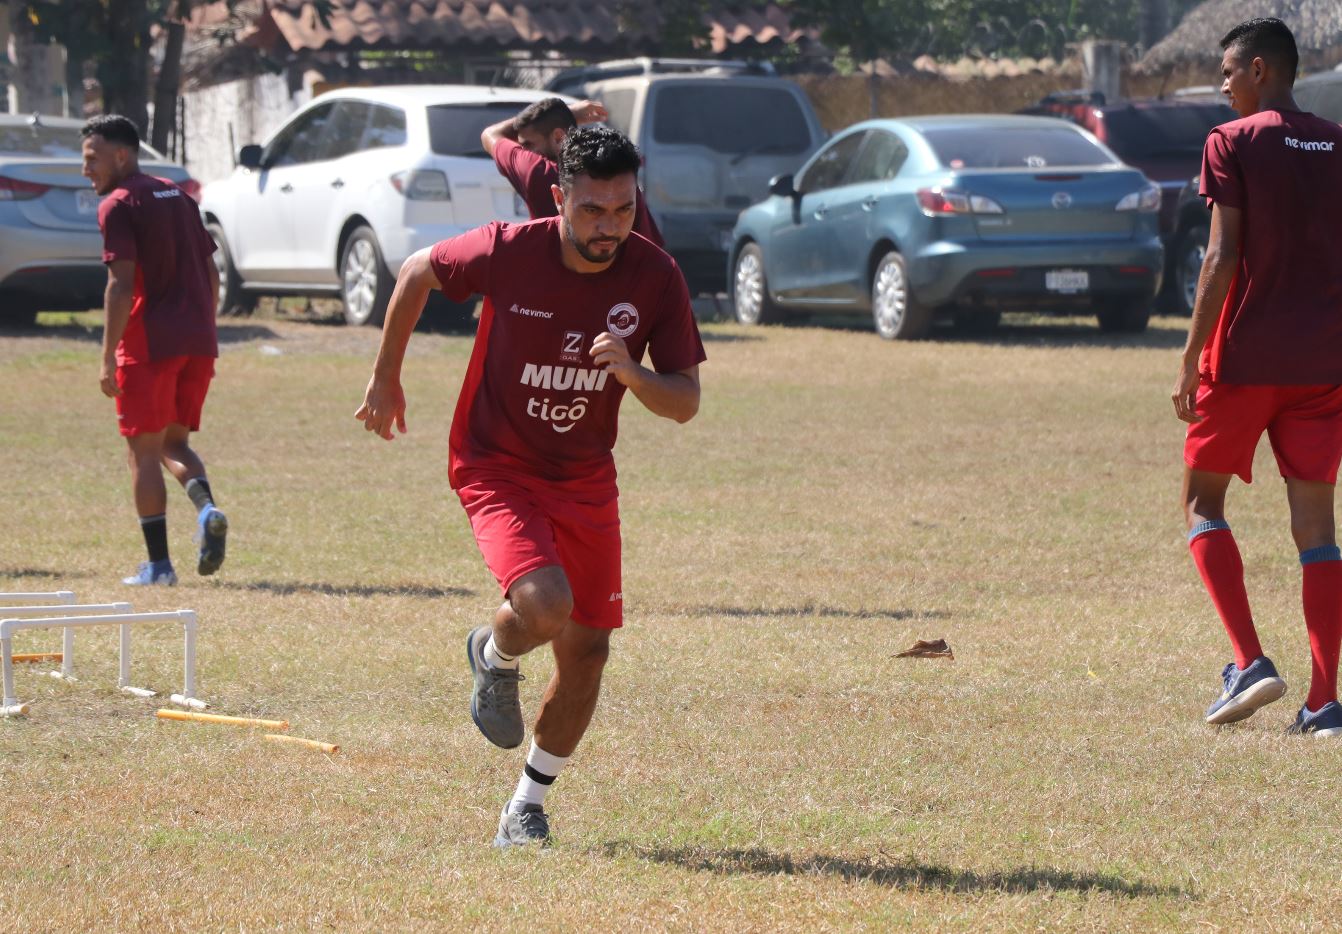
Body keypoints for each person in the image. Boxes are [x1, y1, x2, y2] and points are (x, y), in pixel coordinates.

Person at [357, 126, 705, 846]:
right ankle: (495, 652)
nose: (608, 227)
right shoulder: (509, 250)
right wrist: (385, 374)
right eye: (591, 211)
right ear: (558, 198)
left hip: (584, 475)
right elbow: (418, 270)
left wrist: (634, 375)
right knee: (546, 605)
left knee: (589, 652)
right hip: (496, 461)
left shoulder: (654, 276)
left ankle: (526, 804)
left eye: (622, 209)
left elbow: (685, 401)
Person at [1172, 17, 1342, 738]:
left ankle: (1249, 663)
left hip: (1245, 359)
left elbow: (1221, 257)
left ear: (1263, 70)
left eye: (1230, 72)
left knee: (1201, 503)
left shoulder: (1231, 142)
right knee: (1318, 527)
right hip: (1324, 365)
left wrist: (1189, 356)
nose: (1223, 84)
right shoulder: (1337, 144)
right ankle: (1325, 701)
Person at [81, 115, 229, 586]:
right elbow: (212, 272)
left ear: (121, 155)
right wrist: (206, 327)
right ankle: (207, 510)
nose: (86, 170)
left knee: (142, 452)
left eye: (92, 159)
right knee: (174, 442)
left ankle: (159, 567)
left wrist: (107, 356)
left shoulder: (119, 205)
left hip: (149, 344)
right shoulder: (177, 194)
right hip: (198, 342)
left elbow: (119, 285)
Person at [481, 96, 665, 246]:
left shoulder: (537, 172)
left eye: (529, 144)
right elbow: (652, 247)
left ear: (558, 137)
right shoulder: (622, 179)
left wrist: (572, 112)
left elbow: (491, 134)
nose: (524, 151)